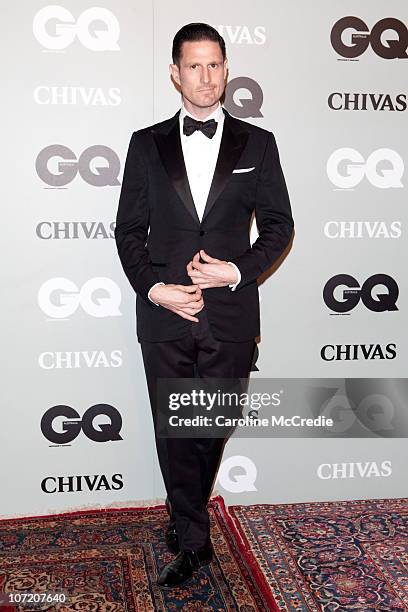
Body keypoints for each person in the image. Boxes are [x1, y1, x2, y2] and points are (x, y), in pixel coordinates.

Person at [115, 22, 294, 588]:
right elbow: (128, 231)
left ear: (226, 68)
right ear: (175, 72)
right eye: (194, 65)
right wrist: (154, 288)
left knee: (212, 422)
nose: (206, 76)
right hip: (166, 314)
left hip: (231, 316)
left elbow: (278, 225)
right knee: (174, 427)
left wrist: (237, 271)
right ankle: (193, 538)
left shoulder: (257, 144)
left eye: (215, 64)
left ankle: (182, 513)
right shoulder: (146, 144)